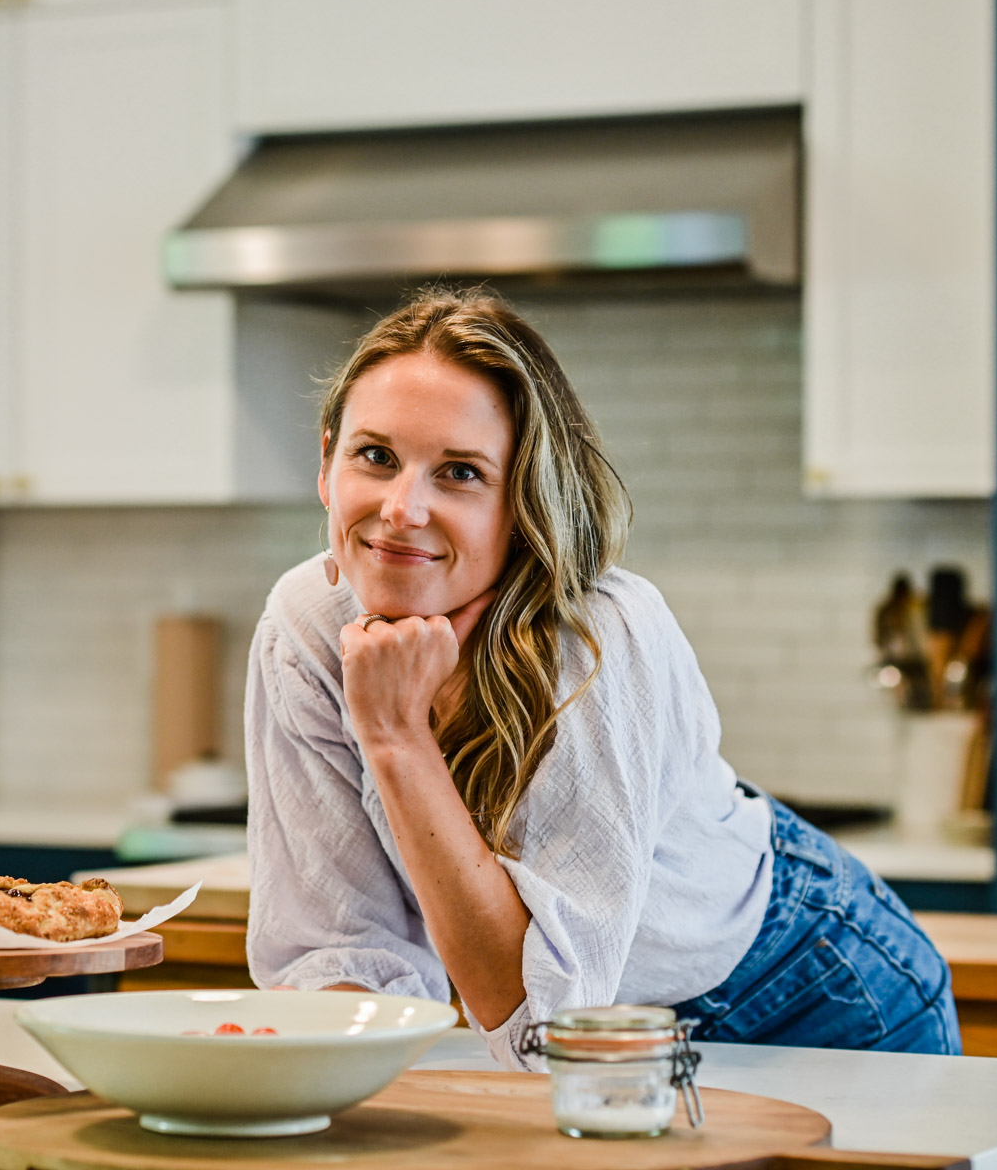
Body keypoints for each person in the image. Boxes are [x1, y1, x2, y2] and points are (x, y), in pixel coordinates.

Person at [244, 289, 959, 1068]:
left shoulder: (597, 638)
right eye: (375, 456)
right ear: (325, 465)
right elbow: (336, 952)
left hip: (809, 994)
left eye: (459, 472)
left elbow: (543, 1027)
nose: (402, 509)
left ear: (521, 503)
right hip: (608, 1039)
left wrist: (394, 734)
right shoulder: (306, 628)